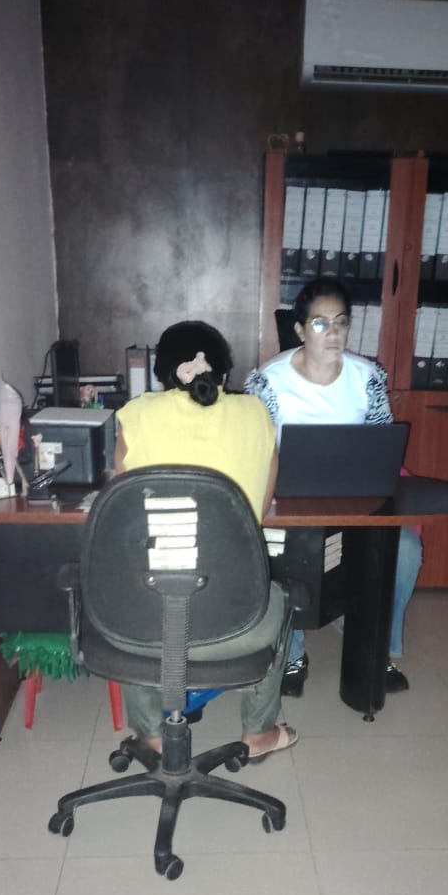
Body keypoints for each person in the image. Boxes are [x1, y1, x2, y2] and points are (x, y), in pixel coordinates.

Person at [114, 320, 298, 760]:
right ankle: (258, 732)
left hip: (145, 625)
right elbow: (256, 511)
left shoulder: (136, 414)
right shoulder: (256, 413)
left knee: (130, 586)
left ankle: (151, 736)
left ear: (162, 375)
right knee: (281, 595)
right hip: (237, 623)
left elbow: (122, 506)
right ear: (224, 372)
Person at [244, 277, 422, 695]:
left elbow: (380, 446)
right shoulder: (269, 381)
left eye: (341, 322)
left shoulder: (367, 376)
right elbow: (256, 451)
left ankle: (378, 649)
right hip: (289, 504)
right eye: (321, 323)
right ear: (300, 329)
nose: (334, 332)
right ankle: (292, 655)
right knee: (287, 555)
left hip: (355, 501)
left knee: (406, 552)